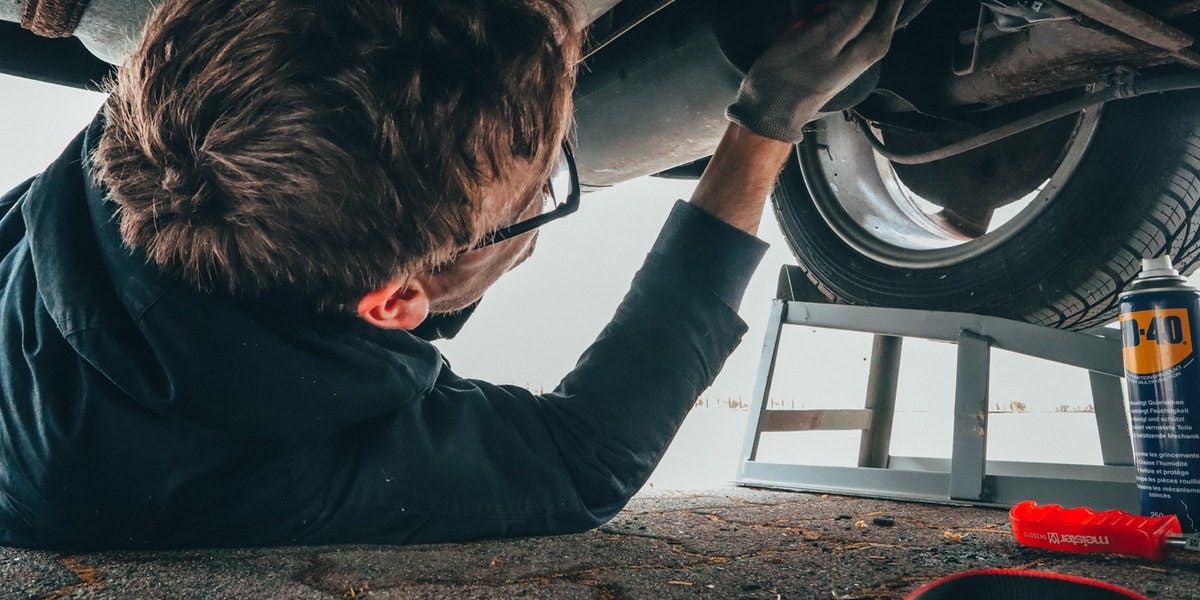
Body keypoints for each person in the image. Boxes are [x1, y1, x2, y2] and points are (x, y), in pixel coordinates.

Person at [0, 0, 900, 550]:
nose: (545, 175)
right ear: (395, 302)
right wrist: (765, 125)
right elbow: (585, 459)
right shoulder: (247, 468)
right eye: (538, 185)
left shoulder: (186, 112)